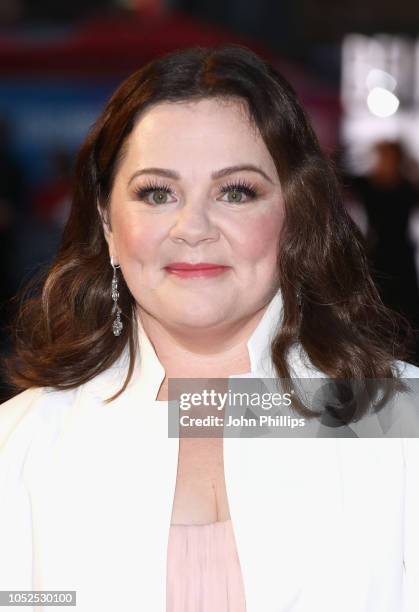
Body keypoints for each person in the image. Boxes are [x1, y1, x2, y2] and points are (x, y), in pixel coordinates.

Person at [1, 44, 419, 612]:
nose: (191, 227)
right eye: (157, 192)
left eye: (235, 191)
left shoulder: (399, 422)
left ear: (294, 214)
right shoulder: (21, 444)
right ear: (107, 221)